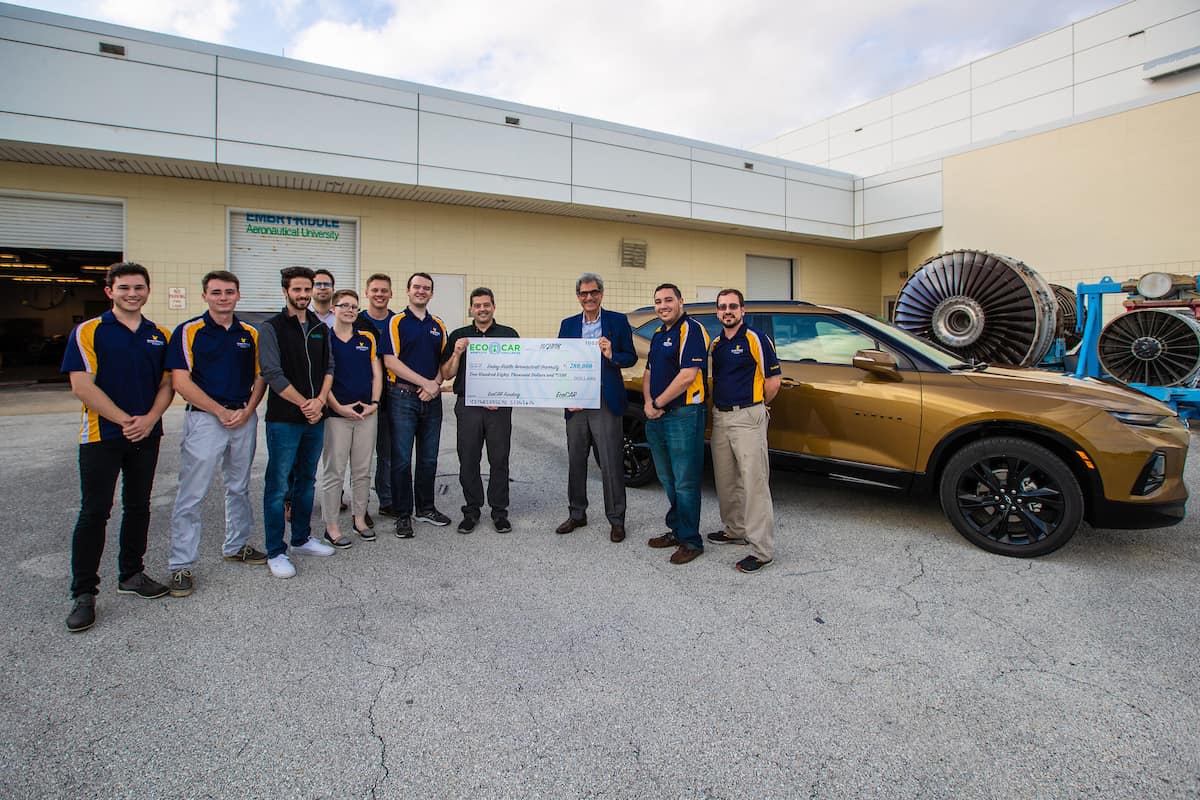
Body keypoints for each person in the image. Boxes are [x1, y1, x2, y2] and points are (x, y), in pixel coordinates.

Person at [61, 262, 175, 632]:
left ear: (147, 290)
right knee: (95, 511)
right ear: (110, 290)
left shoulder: (160, 334)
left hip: (146, 434)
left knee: (139, 506)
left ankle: (131, 574)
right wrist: (126, 419)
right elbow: (82, 385)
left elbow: (167, 384)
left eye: (138, 287)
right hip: (102, 437)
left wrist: (149, 420)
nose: (132, 293)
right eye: (124, 287)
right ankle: (84, 593)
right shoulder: (89, 331)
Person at [164, 270, 269, 597]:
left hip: (243, 417)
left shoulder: (251, 333)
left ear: (238, 296)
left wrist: (248, 411)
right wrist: (220, 411)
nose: (223, 297)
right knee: (192, 492)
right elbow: (181, 382)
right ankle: (181, 564)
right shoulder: (189, 331)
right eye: (216, 292)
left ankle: (236, 545)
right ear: (205, 296)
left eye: (229, 292)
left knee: (238, 486)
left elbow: (262, 376)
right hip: (206, 420)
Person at [258, 266, 337, 578]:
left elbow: (329, 367)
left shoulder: (320, 327)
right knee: (278, 486)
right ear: (285, 291)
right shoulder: (271, 328)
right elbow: (272, 373)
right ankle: (276, 551)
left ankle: (301, 538)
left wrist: (319, 402)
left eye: (308, 289)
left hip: (315, 417)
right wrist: (305, 403)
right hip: (284, 419)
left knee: (307, 480)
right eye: (298, 290)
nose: (304, 294)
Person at [555, 273, 637, 543]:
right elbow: (559, 361)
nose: (588, 298)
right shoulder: (567, 324)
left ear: (602, 293)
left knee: (611, 461)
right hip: (576, 400)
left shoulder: (617, 321)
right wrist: (564, 394)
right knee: (576, 459)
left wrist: (612, 354)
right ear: (578, 296)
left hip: (604, 400)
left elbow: (630, 357)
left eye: (593, 292)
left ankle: (616, 519)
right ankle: (577, 513)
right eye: (583, 294)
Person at [706, 289, 782, 573]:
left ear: (742, 310)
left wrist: (756, 407)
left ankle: (762, 550)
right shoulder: (716, 344)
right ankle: (735, 529)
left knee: (754, 483)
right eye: (723, 307)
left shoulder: (756, 339)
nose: (728, 311)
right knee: (726, 481)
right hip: (721, 417)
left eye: (733, 306)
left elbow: (774, 381)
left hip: (747, 416)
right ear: (717, 312)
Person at [441, 288, 519, 534]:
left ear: (493, 307)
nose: (482, 309)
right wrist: (457, 352)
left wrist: (502, 395)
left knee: (499, 460)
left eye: (486, 305)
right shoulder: (459, 335)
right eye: (477, 305)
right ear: (471, 309)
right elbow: (446, 374)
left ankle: (499, 512)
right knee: (469, 460)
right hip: (468, 407)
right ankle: (472, 510)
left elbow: (517, 371)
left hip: (499, 408)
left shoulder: (509, 335)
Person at [643, 283, 710, 565]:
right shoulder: (659, 334)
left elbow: (687, 376)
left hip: (684, 415)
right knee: (667, 478)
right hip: (657, 417)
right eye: (658, 301)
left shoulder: (691, 329)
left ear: (681, 301)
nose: (662, 306)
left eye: (668, 300)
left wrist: (657, 404)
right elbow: (648, 372)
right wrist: (648, 403)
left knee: (685, 481)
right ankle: (677, 530)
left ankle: (691, 541)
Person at [381, 272, 450, 538]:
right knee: (400, 459)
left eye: (426, 288)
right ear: (408, 291)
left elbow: (444, 363)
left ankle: (426, 508)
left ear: (431, 294)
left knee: (429, 458)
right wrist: (426, 383)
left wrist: (435, 384)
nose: (421, 291)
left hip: (431, 400)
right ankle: (402, 514)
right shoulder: (396, 322)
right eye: (417, 287)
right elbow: (391, 361)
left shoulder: (438, 325)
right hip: (402, 397)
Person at [320, 289, 382, 547]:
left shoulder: (366, 338)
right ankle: (331, 526)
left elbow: (376, 374)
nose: (349, 310)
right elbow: (323, 378)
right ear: (333, 309)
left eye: (354, 306)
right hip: (336, 414)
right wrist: (338, 406)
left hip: (366, 414)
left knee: (362, 471)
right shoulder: (324, 339)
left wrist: (374, 404)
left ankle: (359, 520)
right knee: (334, 471)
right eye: (344, 305)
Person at [359, 273, 396, 518]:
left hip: (392, 396)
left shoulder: (398, 321)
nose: (379, 294)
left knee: (388, 451)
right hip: (361, 395)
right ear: (367, 293)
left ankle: (387, 500)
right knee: (358, 455)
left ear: (391, 294)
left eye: (384, 290)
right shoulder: (356, 321)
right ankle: (357, 505)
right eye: (375, 290)